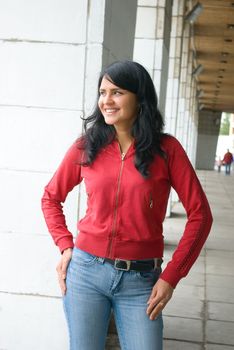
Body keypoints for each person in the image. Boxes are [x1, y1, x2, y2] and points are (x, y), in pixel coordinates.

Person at [41, 60, 213, 350]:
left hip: (141, 281)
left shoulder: (167, 150)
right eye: (103, 91)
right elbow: (50, 197)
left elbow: (201, 216)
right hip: (85, 273)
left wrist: (172, 276)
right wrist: (65, 245)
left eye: (117, 92)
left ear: (139, 98)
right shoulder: (87, 146)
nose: (106, 100)